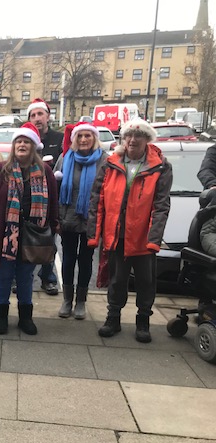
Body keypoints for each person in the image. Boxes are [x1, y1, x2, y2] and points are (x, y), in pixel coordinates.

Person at [87, 118, 172, 343]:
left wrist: (154, 238)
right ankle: (112, 318)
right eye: (129, 136)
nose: (133, 140)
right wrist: (94, 234)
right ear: (123, 139)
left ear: (147, 140)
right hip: (116, 235)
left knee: (145, 281)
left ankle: (143, 321)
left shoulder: (161, 166)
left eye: (139, 136)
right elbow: (97, 200)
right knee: (117, 280)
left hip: (144, 237)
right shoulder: (110, 163)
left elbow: (161, 205)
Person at [0, 122, 59, 335]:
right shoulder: (1, 170)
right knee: (4, 276)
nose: (22, 145)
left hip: (33, 235)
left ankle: (26, 318)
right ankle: (1, 317)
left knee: (26, 277)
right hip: (5, 234)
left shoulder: (46, 172)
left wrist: (53, 226)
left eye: (27, 142)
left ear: (34, 147)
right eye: (19, 142)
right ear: (14, 146)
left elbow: (53, 202)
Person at [54, 122, 108, 320]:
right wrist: (57, 218)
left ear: (94, 138)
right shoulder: (64, 158)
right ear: (74, 139)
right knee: (67, 259)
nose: (84, 139)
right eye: (80, 136)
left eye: (88, 136)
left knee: (86, 261)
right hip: (67, 217)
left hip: (91, 220)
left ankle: (81, 301)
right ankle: (67, 300)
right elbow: (57, 189)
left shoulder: (104, 160)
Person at [27, 98, 64, 296]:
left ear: (48, 116)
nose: (37, 118)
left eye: (40, 114)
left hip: (52, 197)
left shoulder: (58, 140)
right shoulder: (26, 139)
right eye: (33, 115)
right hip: (29, 199)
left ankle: (48, 278)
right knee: (27, 240)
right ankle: (24, 278)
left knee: (49, 239)